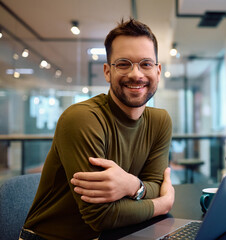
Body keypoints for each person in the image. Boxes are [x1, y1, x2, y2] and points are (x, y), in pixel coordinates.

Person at [21, 18, 175, 240]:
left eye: (146, 64)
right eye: (123, 63)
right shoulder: (82, 118)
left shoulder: (160, 121)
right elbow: (100, 215)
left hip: (121, 234)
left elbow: (157, 184)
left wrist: (131, 185)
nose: (136, 74)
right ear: (107, 71)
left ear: (158, 71)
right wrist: (163, 203)